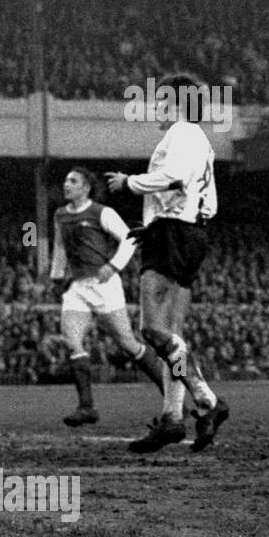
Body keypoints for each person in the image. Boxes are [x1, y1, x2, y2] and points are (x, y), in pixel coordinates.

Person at [106, 72, 229, 453]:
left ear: (176, 103)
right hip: (185, 233)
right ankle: (173, 419)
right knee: (172, 339)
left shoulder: (182, 132)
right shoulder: (199, 140)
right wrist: (156, 224)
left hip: (175, 236)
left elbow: (173, 177)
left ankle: (207, 401)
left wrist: (129, 182)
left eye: (160, 100)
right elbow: (203, 199)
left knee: (153, 332)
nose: (155, 107)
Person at [50, 166, 165, 427]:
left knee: (127, 343)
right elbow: (59, 246)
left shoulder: (101, 212)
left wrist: (113, 266)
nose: (66, 185)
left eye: (73, 181)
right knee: (72, 342)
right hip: (77, 288)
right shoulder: (60, 215)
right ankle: (86, 407)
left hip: (105, 285)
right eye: (66, 180)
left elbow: (130, 238)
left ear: (86, 187)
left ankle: (170, 392)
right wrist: (56, 278)